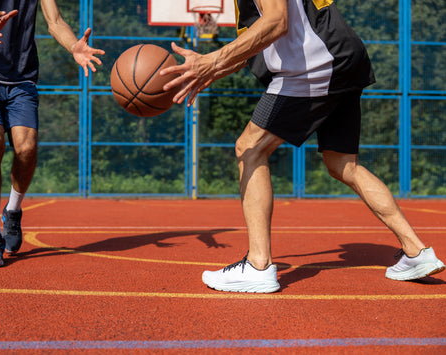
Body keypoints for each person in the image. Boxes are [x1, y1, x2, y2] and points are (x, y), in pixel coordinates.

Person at [162, 0, 445, 292]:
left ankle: (258, 265)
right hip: (343, 59)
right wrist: (211, 69)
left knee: (250, 149)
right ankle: (416, 252)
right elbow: (254, 43)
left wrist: (213, 60)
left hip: (315, 63)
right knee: (343, 164)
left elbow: (276, 22)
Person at [0, 0, 105, 267]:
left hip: (20, 76)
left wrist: (74, 46)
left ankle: (12, 212)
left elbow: (55, 22)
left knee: (27, 148)